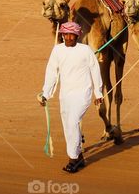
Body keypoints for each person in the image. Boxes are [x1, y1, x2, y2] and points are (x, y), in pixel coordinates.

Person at [37, 21, 104, 173]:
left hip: (83, 93)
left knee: (73, 122)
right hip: (65, 95)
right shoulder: (57, 50)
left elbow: (95, 70)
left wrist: (98, 92)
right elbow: (51, 72)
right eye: (66, 35)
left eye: (71, 35)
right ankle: (79, 156)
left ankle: (72, 159)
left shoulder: (85, 50)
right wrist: (46, 93)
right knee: (68, 126)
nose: (68, 38)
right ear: (62, 35)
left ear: (77, 36)